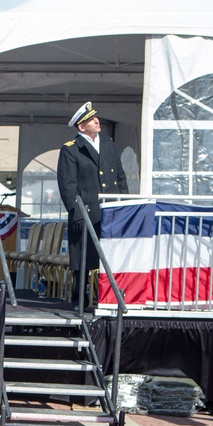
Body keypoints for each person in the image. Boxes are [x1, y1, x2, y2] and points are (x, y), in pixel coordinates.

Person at [57, 101, 128, 306]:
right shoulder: (71, 150)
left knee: (109, 258)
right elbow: (68, 187)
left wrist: (124, 203)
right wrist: (77, 213)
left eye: (96, 117)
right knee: (83, 260)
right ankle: (80, 298)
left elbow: (120, 177)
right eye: (91, 119)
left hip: (110, 210)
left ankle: (106, 296)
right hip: (87, 211)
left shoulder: (107, 143)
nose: (97, 121)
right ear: (81, 126)